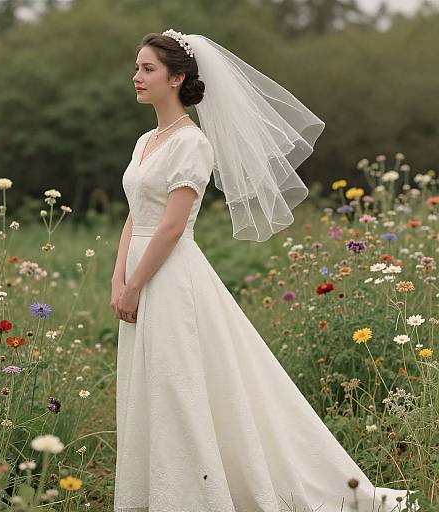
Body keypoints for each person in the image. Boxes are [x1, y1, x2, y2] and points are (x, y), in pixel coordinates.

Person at [110, 30, 418, 512]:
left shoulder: (192, 144)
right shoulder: (146, 140)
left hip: (170, 275)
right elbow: (135, 214)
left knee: (179, 382)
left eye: (148, 69)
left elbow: (170, 229)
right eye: (137, 67)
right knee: (152, 380)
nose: (137, 77)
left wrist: (135, 285)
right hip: (136, 271)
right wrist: (118, 280)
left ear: (177, 77)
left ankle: (195, 495)